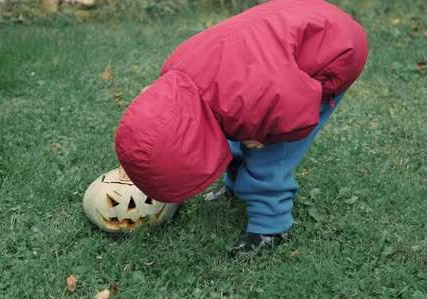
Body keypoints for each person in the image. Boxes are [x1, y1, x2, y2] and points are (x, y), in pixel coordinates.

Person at [115, 0, 368, 255]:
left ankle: (271, 226)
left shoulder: (254, 99)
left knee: (268, 151)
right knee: (236, 126)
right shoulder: (178, 74)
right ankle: (236, 185)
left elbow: (297, 110)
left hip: (335, 49)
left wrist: (272, 136)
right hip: (291, 32)